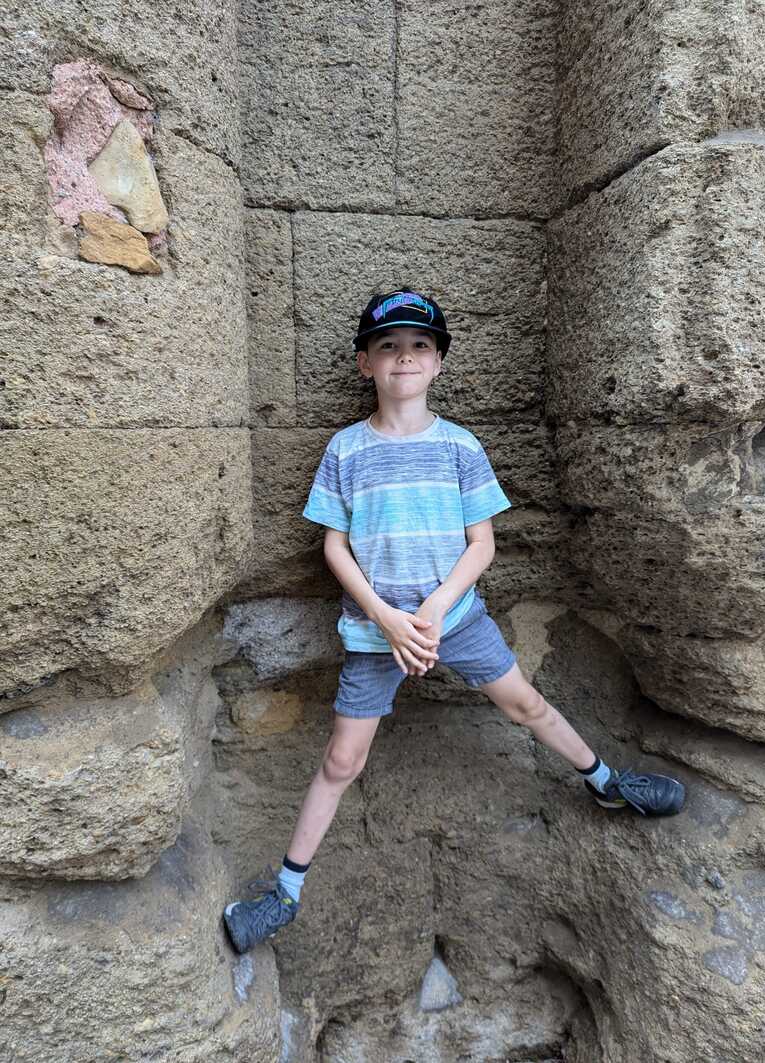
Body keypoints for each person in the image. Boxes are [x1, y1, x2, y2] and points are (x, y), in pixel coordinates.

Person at [222, 288, 685, 954]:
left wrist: (434, 611)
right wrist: (386, 618)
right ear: (364, 364)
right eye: (387, 346)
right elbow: (333, 545)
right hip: (375, 632)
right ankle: (285, 895)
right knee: (341, 758)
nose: (403, 357)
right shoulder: (346, 450)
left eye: (418, 346)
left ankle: (608, 784)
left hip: (454, 617)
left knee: (524, 701)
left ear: (438, 363)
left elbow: (482, 543)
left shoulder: (460, 447)